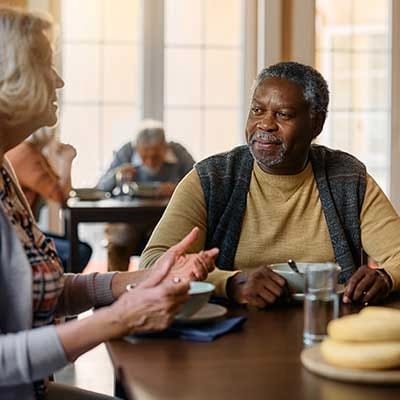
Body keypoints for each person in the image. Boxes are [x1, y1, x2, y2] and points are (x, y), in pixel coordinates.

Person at [0, 8, 218, 400]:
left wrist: (134, 281)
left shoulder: (5, 170)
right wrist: (121, 316)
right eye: (47, 64)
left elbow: (32, 289)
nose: (60, 80)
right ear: (9, 78)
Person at [140, 60, 400, 308]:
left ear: (316, 123)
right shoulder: (212, 178)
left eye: (283, 114)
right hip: (228, 331)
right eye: (257, 110)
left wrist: (386, 278)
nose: (265, 124)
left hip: (326, 328)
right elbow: (153, 264)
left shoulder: (348, 178)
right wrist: (230, 283)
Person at [97, 120, 195, 271]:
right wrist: (117, 175)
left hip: (164, 219)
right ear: (137, 148)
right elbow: (101, 188)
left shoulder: (178, 152)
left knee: (167, 240)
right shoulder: (127, 151)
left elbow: (199, 184)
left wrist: (178, 188)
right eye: (144, 156)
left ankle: (162, 287)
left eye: (155, 156)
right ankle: (115, 288)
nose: (150, 161)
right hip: (128, 220)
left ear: (164, 147)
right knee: (119, 240)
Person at [7, 128, 93, 273]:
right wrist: (67, 161)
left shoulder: (30, 152)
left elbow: (63, 191)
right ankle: (60, 291)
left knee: (78, 247)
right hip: (16, 235)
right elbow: (61, 196)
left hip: (21, 230)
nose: (55, 135)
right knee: (80, 251)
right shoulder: (26, 156)